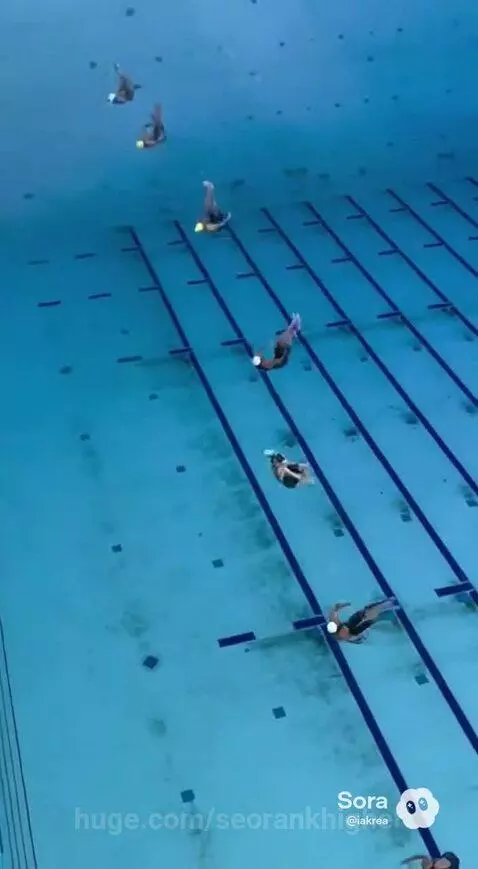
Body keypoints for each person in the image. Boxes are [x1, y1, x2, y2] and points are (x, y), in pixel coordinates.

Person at [326, 599, 395, 642]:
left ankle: (387, 605)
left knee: (367, 613)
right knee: (372, 617)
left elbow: (335, 608)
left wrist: (345, 604)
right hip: (357, 632)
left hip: (353, 626)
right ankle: (389, 611)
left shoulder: (335, 622)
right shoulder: (350, 634)